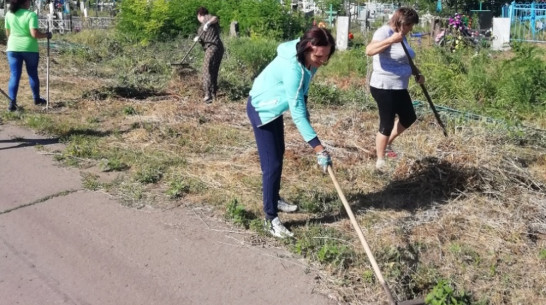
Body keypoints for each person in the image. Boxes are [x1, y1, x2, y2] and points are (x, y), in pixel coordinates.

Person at [247, 26, 335, 238]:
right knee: (272, 164)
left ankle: (274, 198)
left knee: (279, 153)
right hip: (262, 107)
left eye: (326, 57)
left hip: (275, 107)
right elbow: (297, 112)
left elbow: (302, 92)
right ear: (307, 47)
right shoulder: (292, 68)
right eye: (319, 56)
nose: (322, 61)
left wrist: (306, 115)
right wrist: (319, 149)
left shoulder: (309, 60)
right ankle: (270, 218)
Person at [365, 7, 425, 171]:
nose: (411, 28)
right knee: (387, 122)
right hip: (384, 86)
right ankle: (380, 160)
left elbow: (404, 59)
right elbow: (369, 50)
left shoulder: (402, 36)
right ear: (401, 22)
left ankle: (387, 144)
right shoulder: (384, 32)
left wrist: (417, 73)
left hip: (399, 86)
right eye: (410, 25)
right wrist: (391, 40)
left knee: (409, 117)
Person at [4, 0, 52, 112]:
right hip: (29, 48)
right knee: (32, 74)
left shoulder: (9, 14)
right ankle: (36, 99)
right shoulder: (31, 15)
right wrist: (46, 35)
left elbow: (8, 33)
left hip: (12, 48)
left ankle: (12, 103)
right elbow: (34, 34)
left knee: (14, 75)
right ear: (24, 2)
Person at [195, 7, 224, 104]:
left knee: (206, 70)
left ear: (199, 15)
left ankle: (207, 95)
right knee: (213, 70)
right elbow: (203, 44)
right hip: (217, 48)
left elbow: (215, 18)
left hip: (213, 47)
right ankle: (213, 93)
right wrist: (198, 39)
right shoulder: (200, 29)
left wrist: (208, 23)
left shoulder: (207, 18)